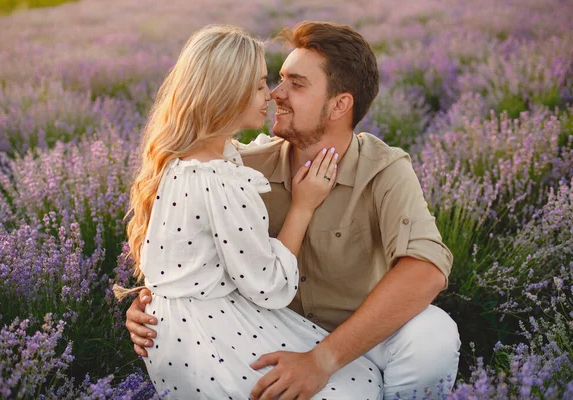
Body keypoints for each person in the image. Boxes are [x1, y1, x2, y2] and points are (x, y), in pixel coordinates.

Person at [126, 21, 461, 399]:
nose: (275, 94)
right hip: (270, 332)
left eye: (296, 84)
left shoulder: (383, 169)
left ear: (340, 105)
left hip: (358, 331)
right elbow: (192, 244)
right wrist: (150, 304)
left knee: (433, 336)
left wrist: (324, 359)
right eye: (278, 79)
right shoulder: (239, 170)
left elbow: (425, 271)